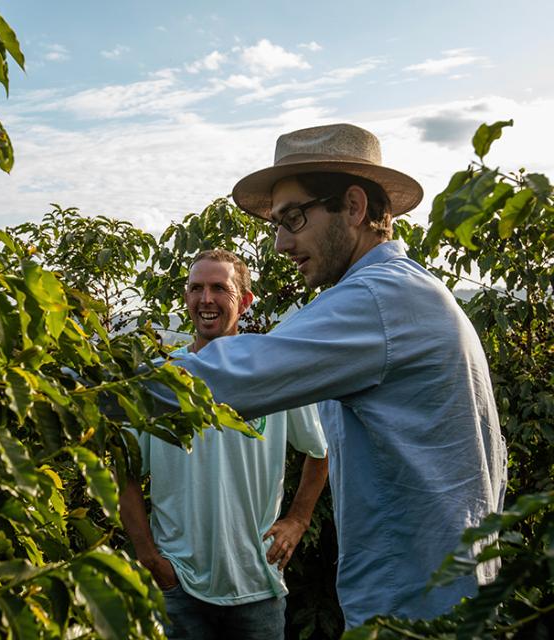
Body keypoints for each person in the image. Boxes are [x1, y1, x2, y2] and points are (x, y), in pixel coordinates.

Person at [148, 124, 507, 628]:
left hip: (418, 608)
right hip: (431, 595)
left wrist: (89, 382)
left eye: (292, 219)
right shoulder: (402, 290)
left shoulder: (377, 300)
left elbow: (234, 376)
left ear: (354, 208)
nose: (280, 243)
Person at [120, 249, 328, 640]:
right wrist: (149, 557)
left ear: (245, 301)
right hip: (177, 586)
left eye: (220, 287)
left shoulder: (272, 371)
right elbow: (126, 472)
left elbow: (319, 451)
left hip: (257, 584)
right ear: (186, 298)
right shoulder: (162, 379)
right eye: (196, 288)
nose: (206, 299)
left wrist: (298, 520)